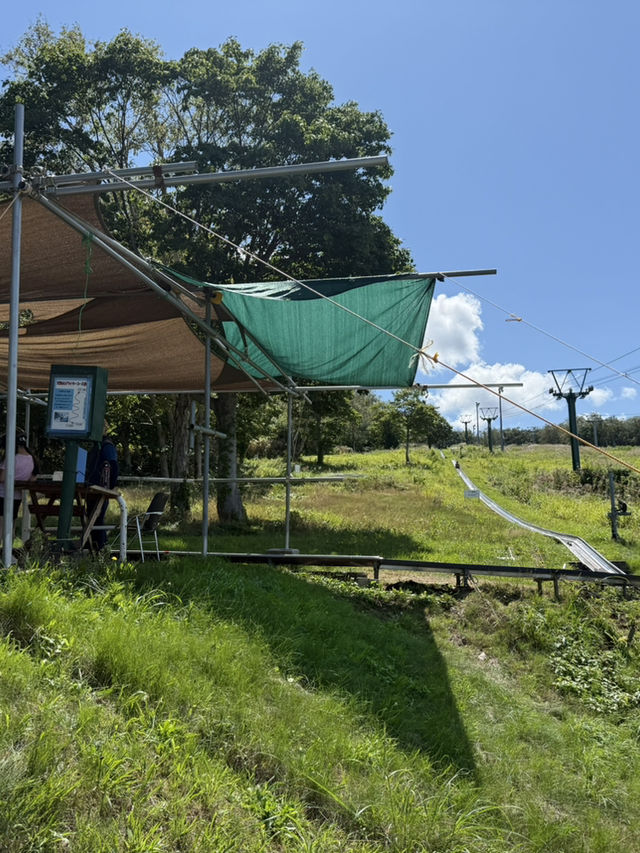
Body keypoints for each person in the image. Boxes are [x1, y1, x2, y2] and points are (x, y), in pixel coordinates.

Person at [86, 422, 119, 550]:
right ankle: (97, 546)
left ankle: (100, 547)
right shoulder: (98, 446)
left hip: (100, 488)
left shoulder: (106, 446)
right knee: (93, 517)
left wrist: (111, 485)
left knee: (97, 518)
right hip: (93, 488)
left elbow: (114, 465)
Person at [0, 432, 37, 543]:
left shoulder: (11, 458)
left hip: (2, 494)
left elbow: (2, 478)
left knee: (1, 523)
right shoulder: (32, 459)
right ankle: (8, 551)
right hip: (17, 496)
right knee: (11, 524)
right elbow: (33, 478)